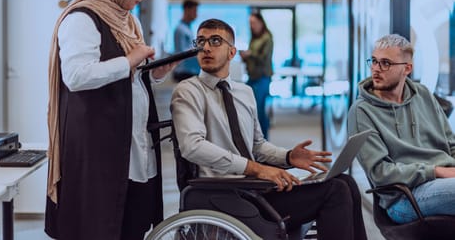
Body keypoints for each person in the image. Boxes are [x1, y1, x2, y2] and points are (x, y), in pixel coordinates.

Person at [171, 18, 368, 239]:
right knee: (336, 192)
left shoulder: (244, 92)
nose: (205, 47)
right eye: (200, 42)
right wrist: (257, 169)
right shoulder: (188, 91)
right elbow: (192, 147)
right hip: (222, 192)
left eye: (215, 41)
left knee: (346, 182)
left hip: (255, 190)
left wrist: (288, 157)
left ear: (232, 52)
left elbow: (257, 145)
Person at [45, 0, 176, 240]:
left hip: (132, 140)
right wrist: (130, 59)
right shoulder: (82, 19)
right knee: (101, 224)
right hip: (100, 145)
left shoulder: (127, 20)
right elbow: (77, 76)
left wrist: (154, 73)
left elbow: (130, 76)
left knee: (132, 221)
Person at [348, 33, 455, 224]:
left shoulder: (422, 94)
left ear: (407, 68)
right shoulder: (361, 111)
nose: (376, 69)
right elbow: (380, 173)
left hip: (445, 181)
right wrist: (436, 171)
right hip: (405, 197)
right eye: (373, 61)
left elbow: (451, 144)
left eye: (385, 63)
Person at [239, 12, 274, 139]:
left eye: (253, 23)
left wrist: (249, 55)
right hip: (252, 77)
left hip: (263, 78)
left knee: (259, 110)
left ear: (261, 22)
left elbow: (263, 58)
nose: (251, 26)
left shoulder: (267, 38)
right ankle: (254, 137)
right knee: (249, 108)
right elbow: (252, 58)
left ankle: (263, 139)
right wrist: (244, 57)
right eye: (250, 23)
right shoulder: (254, 38)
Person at [172, 0, 200, 82]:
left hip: (191, 71)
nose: (196, 14)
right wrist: (199, 50)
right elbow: (182, 53)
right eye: (194, 11)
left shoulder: (188, 29)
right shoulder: (180, 29)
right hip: (184, 72)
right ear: (187, 10)